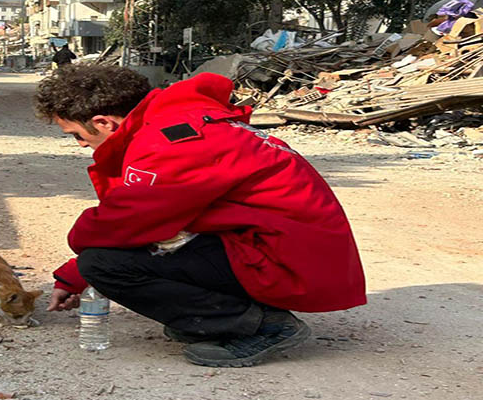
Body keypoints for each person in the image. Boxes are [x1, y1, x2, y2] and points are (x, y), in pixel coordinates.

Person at [34, 65, 366, 368]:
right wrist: (72, 276)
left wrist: (80, 267)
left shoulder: (171, 141)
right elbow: (144, 223)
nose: (80, 145)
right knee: (126, 248)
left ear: (104, 122)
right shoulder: (184, 121)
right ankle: (216, 319)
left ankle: (263, 326)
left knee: (103, 263)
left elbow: (123, 221)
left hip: (286, 260)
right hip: (286, 248)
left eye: (77, 134)